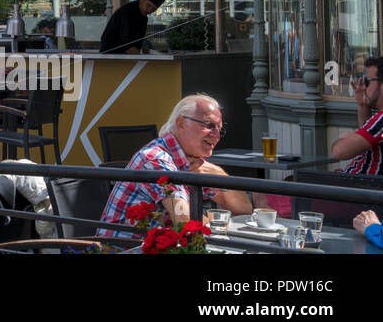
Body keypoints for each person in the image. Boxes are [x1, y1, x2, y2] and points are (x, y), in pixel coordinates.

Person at [99, 94, 268, 237]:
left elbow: (244, 209)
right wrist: (213, 221)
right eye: (209, 125)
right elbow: (184, 219)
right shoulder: (155, 159)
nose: (217, 136)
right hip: (122, 248)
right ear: (181, 124)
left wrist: (218, 174)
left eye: (220, 129)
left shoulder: (193, 160)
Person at [332, 56, 383, 174]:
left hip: (361, 187)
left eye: (367, 81)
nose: (364, 87)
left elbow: (339, 152)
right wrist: (362, 105)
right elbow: (370, 139)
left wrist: (344, 139)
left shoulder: (381, 120)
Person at [98, 0, 165, 54]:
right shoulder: (127, 12)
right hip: (110, 55)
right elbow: (128, 46)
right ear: (143, 0)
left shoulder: (143, 16)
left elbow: (139, 41)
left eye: (153, 9)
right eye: (148, 5)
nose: (149, 10)